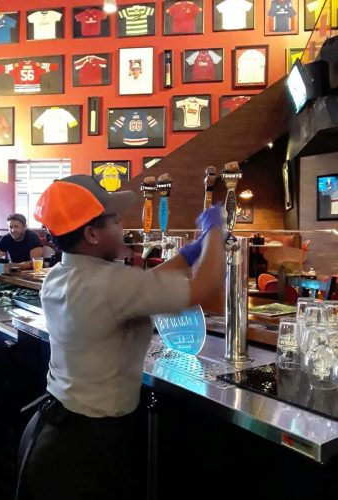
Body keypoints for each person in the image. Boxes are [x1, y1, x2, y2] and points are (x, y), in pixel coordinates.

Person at [15, 174, 225, 500]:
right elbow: (207, 287)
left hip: (54, 433)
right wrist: (216, 230)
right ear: (92, 233)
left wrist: (189, 255)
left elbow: (143, 286)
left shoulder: (60, 273)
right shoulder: (110, 282)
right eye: (114, 220)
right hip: (88, 452)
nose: (122, 226)